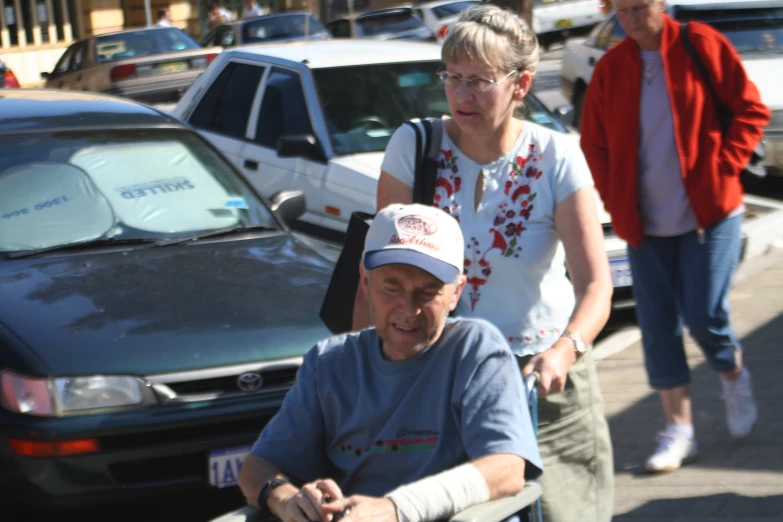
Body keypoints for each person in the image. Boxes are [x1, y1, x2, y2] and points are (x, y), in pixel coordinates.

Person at [365, 5, 615, 522]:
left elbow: (596, 285)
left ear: (521, 84)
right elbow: (379, 279)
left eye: (479, 81)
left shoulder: (558, 156)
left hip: (543, 384)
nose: (460, 95)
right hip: (440, 380)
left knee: (567, 513)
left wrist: (565, 353)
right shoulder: (413, 147)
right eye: (452, 77)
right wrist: (372, 379)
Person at [238, 203, 543, 522]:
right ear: (365, 282)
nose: (407, 310)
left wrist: (397, 509)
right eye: (391, 288)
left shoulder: (475, 350)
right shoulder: (329, 361)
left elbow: (507, 468)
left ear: (456, 294)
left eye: (427, 293)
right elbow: (256, 468)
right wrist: (287, 498)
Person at [580, 0, 770, 474]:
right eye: (620, 10)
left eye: (638, 6)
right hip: (645, 224)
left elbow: (750, 109)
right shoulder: (611, 67)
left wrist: (723, 165)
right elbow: (593, 141)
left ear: (661, 4)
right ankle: (678, 429)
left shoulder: (700, 43)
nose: (630, 17)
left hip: (710, 213)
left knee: (705, 314)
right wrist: (612, 193)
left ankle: (731, 372)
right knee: (659, 327)